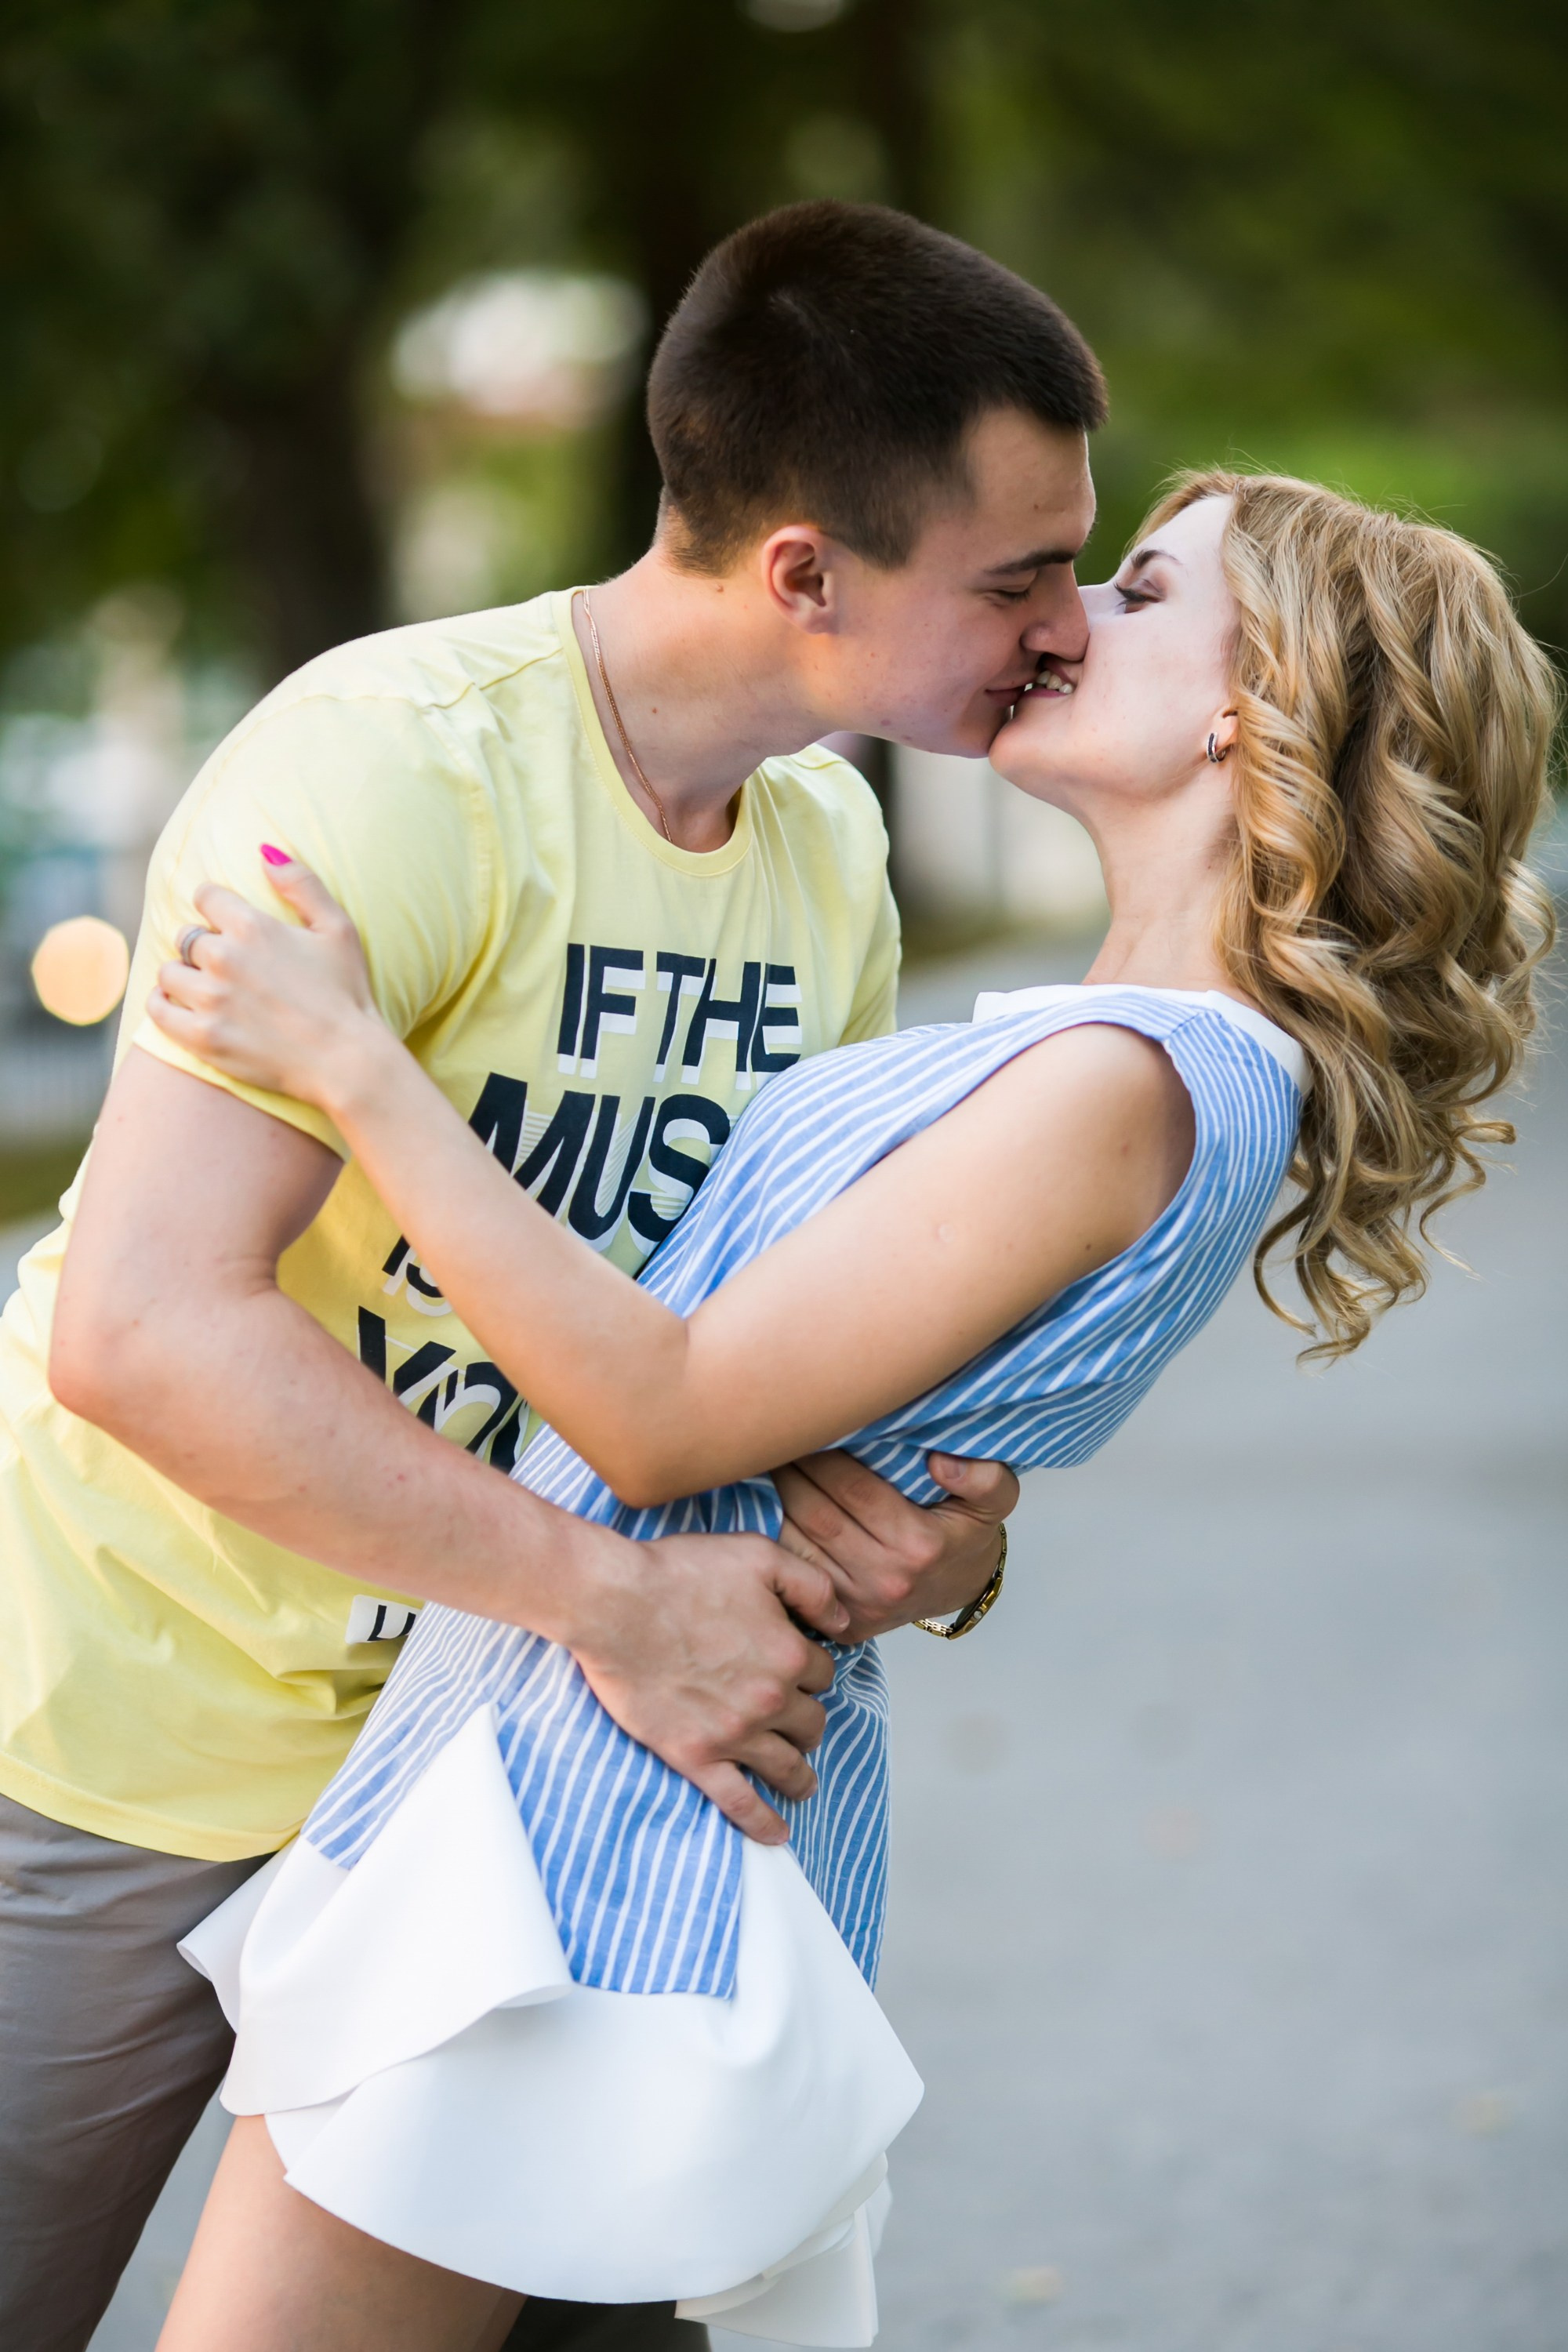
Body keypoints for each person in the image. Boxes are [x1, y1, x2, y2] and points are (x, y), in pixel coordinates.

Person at [145, 471, 1555, 2352]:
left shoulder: (1134, 1081)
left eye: (1136, 590)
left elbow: (664, 1413)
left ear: (1255, 700)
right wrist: (955, 1542)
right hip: (584, 1774)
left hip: (590, 1831)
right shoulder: (1116, 1057)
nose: (1065, 618)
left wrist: (348, 1060)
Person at [0, 200, 1111, 2352]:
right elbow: (147, 1330)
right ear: (805, 570)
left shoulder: (825, 862)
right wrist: (617, 1604)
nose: (1061, 630)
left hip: (502, 1779)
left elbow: (761, 1356)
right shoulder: (393, 768)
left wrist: (942, 1534)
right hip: (126, 1723)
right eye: (1015, 579)